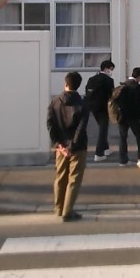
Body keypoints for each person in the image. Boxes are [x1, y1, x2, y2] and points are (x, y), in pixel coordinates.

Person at [46, 71, 89, 221]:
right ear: (78, 85)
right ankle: (68, 211)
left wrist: (58, 144)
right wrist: (72, 146)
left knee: (60, 177)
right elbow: (81, 128)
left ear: (65, 83)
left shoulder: (55, 102)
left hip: (61, 147)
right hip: (78, 147)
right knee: (74, 179)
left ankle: (58, 208)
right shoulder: (82, 104)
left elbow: (50, 124)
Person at [84, 59, 115, 162]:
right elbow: (111, 95)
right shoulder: (108, 80)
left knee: (102, 127)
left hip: (92, 107)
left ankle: (106, 149)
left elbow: (87, 91)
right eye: (111, 69)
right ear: (106, 69)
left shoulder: (92, 79)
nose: (111, 71)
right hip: (103, 107)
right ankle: (98, 153)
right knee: (103, 130)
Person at [117, 66, 140, 167]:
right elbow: (137, 103)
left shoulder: (123, 84)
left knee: (123, 137)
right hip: (132, 116)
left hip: (122, 115)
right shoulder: (136, 86)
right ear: (139, 76)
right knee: (139, 136)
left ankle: (123, 160)